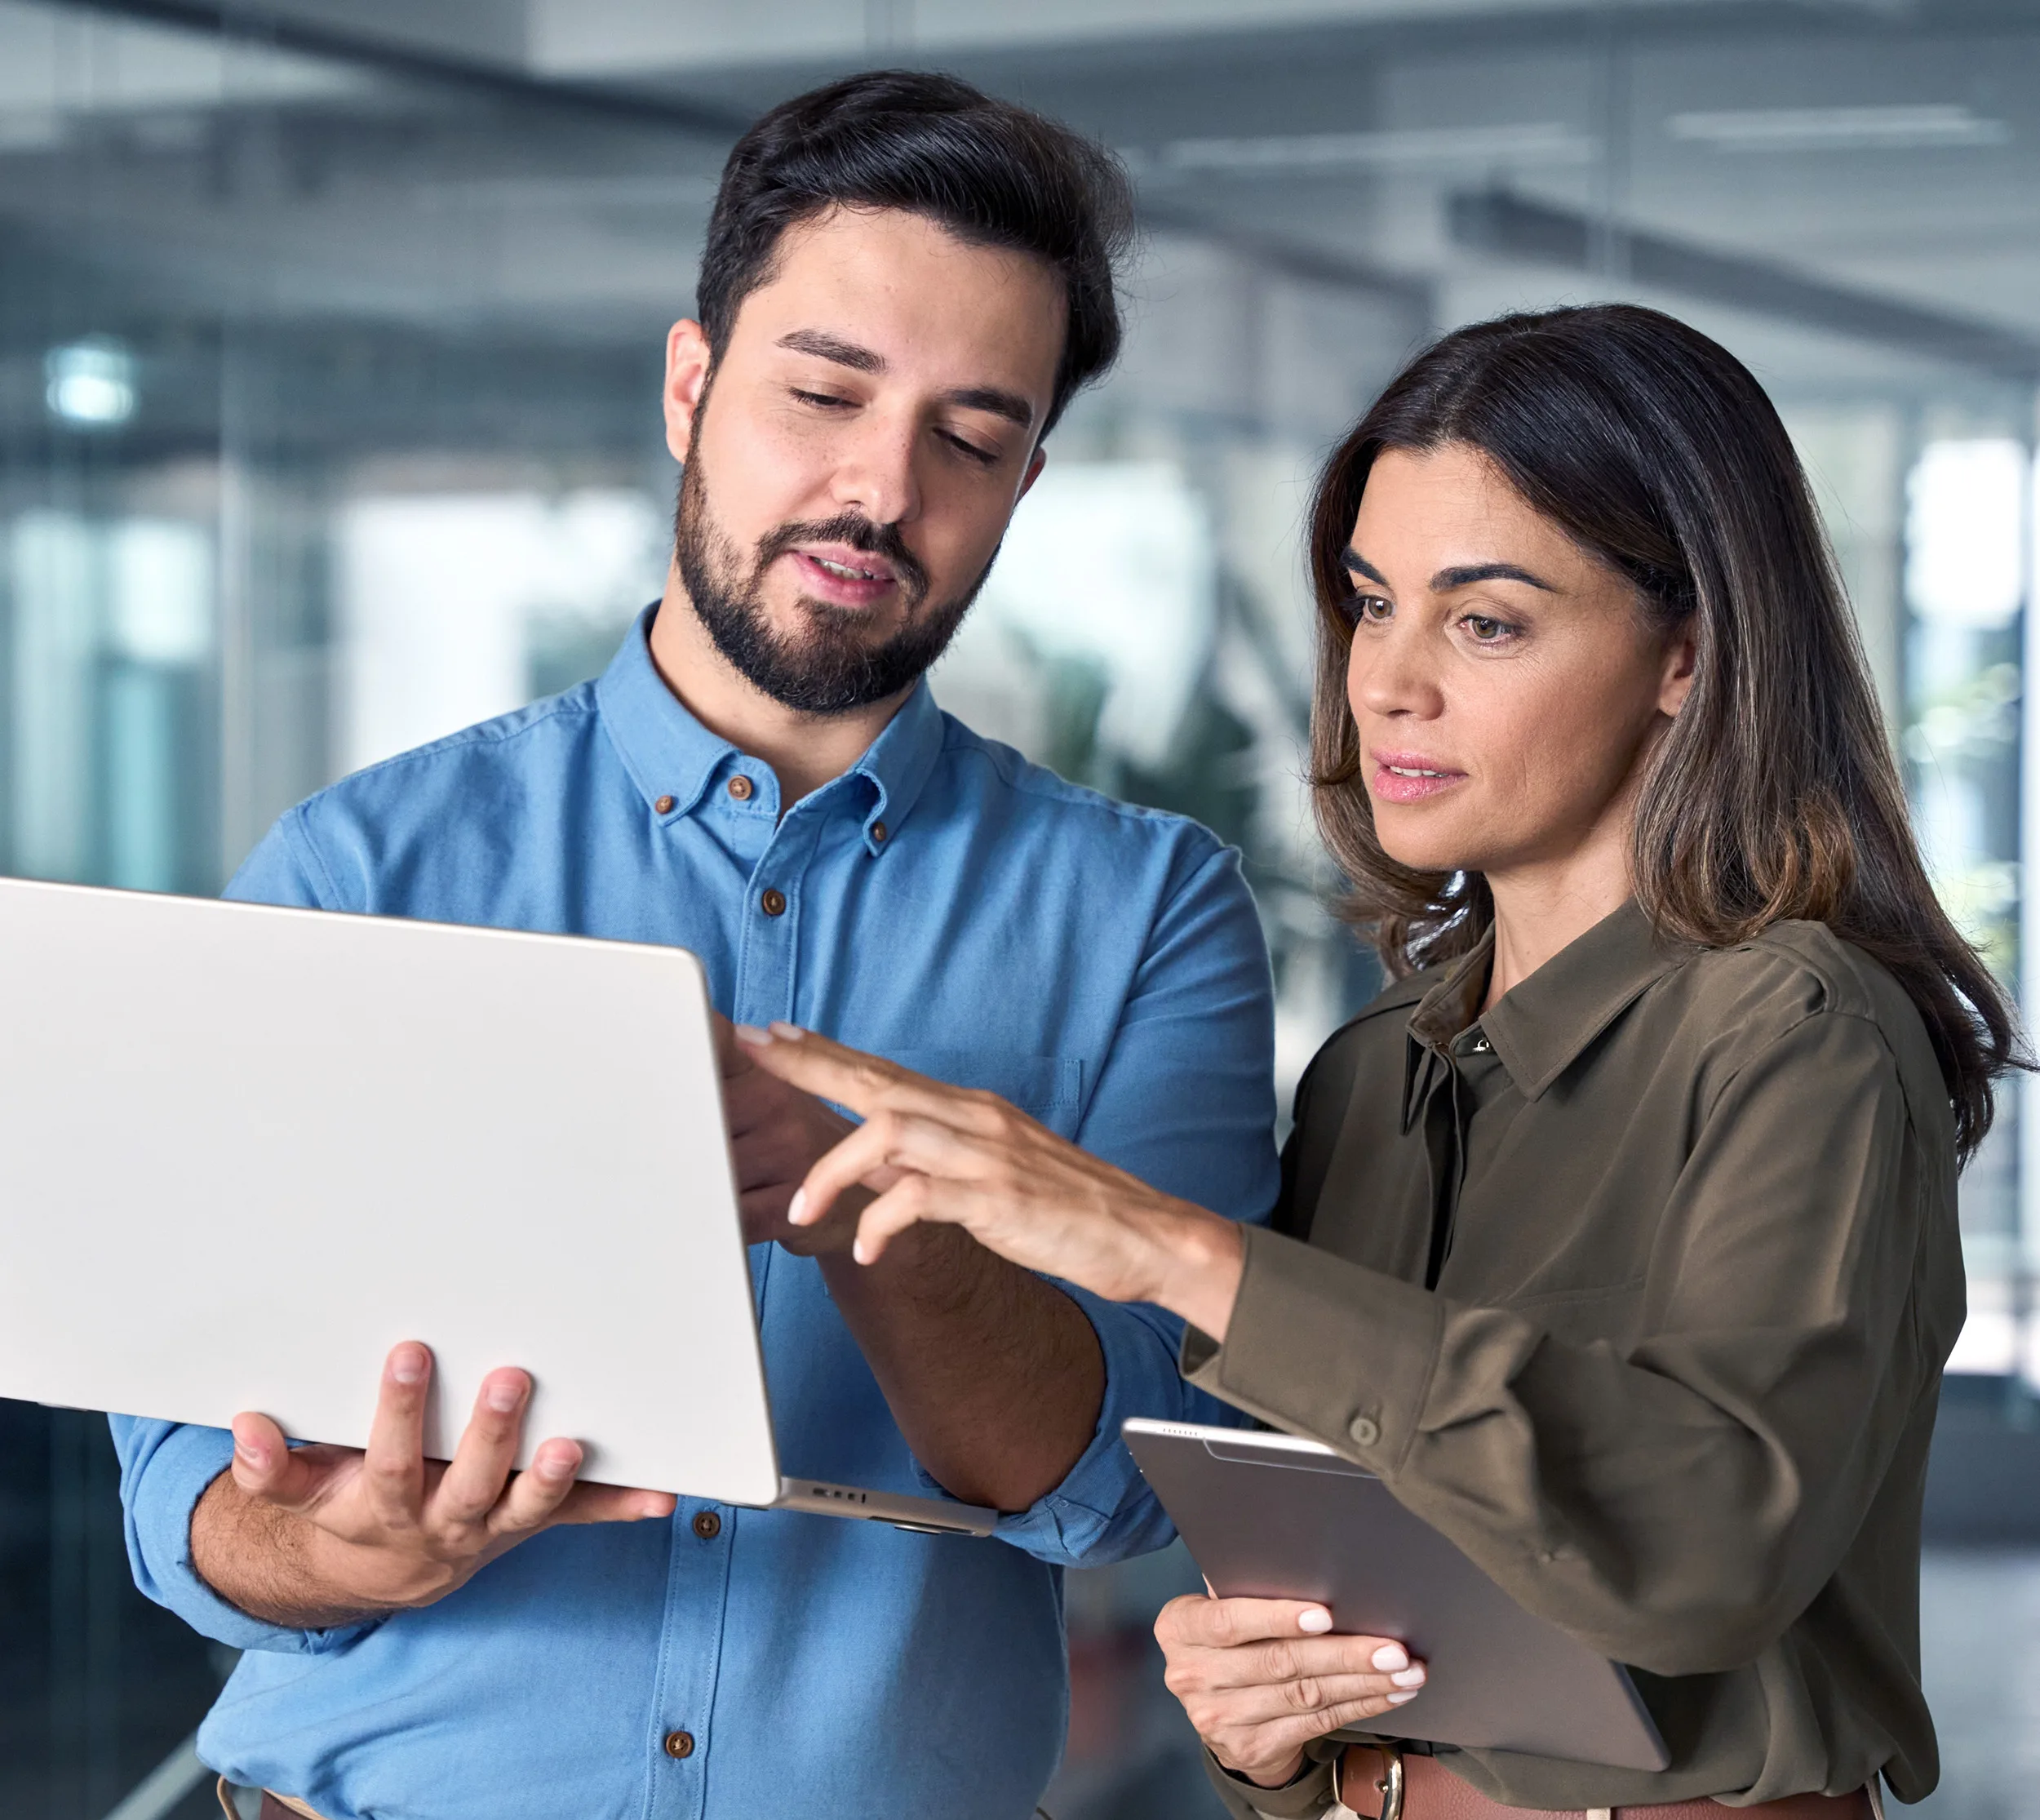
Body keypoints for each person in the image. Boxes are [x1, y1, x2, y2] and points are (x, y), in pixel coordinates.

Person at [109, 72, 1279, 1820]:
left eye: (968, 437)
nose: (878, 489)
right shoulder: (362, 866)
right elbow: (181, 1493)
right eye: (821, 392)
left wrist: (861, 1186)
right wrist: (334, 1548)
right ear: (688, 386)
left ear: (1027, 478)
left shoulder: (1146, 911)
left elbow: (1126, 1484)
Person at [741, 303, 2016, 1819]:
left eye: (1486, 621)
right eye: (1370, 603)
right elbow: (1355, 1616)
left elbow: (1704, 1548)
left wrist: (1167, 1246)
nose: (1389, 682)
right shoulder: (1368, 1082)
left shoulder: (1799, 1030)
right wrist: (1261, 1721)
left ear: (1686, 656)